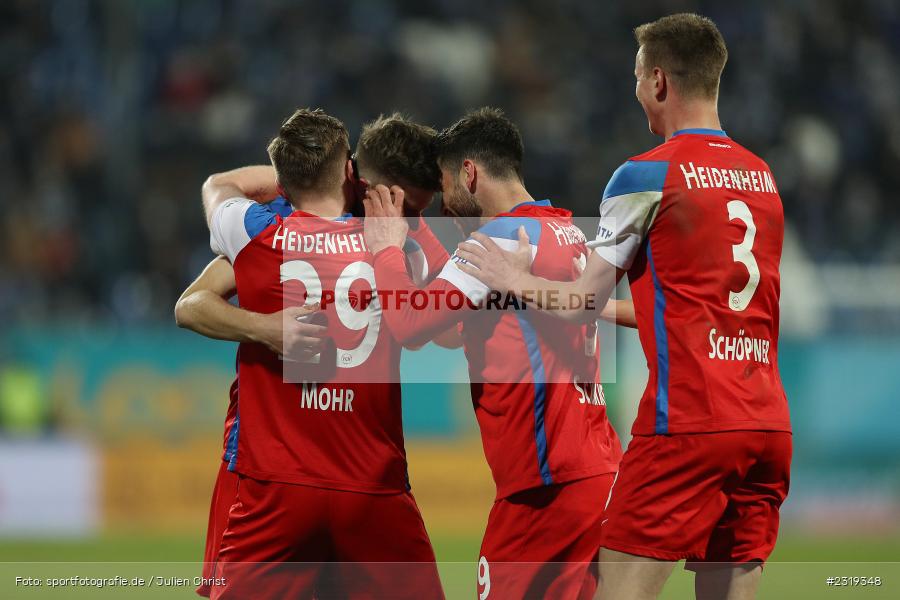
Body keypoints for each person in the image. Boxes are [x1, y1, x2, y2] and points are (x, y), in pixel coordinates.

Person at [454, 14, 791, 600]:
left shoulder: (644, 174)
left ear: (658, 81)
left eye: (637, 77)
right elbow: (702, 307)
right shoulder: (762, 177)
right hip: (767, 426)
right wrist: (608, 311)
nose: (635, 91)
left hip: (689, 425)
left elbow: (576, 302)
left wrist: (514, 277)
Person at [364, 107, 630, 599]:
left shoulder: (500, 241)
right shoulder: (566, 231)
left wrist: (386, 247)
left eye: (446, 185)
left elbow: (410, 325)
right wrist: (415, 226)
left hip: (544, 485)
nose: (445, 204)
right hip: (593, 471)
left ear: (470, 173)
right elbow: (456, 319)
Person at [194, 109, 447, 599]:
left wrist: (264, 328)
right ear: (350, 170)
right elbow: (445, 330)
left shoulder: (254, 233)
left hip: (278, 484)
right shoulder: (394, 241)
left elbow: (217, 185)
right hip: (372, 482)